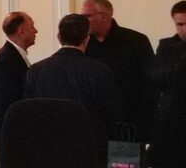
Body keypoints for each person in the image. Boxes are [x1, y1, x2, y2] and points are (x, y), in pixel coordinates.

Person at [24, 14, 123, 167]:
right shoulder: (100, 71)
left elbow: (29, 111)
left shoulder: (36, 71)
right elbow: (113, 112)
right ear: (87, 38)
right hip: (90, 149)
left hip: (48, 148)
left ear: (59, 37)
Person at [81, 0, 154, 139]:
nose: (82, 21)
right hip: (93, 124)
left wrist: (142, 120)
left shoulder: (136, 41)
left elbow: (150, 83)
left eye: (87, 16)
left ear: (103, 16)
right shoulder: (83, 44)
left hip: (129, 123)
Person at [0, 11, 37, 146]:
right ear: (21, 31)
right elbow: (10, 102)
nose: (36, 31)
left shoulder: (12, 55)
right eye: (32, 26)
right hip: (10, 136)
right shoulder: (7, 59)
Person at [147, 1, 186, 168]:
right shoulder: (167, 46)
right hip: (171, 119)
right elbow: (156, 76)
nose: (184, 29)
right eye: (180, 24)